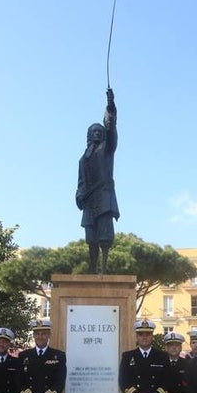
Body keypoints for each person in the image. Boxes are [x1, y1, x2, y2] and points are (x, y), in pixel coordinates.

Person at [76, 87, 120, 274]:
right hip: (89, 200)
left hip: (103, 198)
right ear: (88, 135)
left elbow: (111, 130)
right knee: (90, 236)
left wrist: (110, 107)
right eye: (93, 131)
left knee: (104, 236)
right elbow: (80, 182)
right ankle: (92, 268)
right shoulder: (83, 159)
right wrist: (79, 194)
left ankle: (104, 267)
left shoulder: (107, 150)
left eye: (98, 131)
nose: (96, 133)